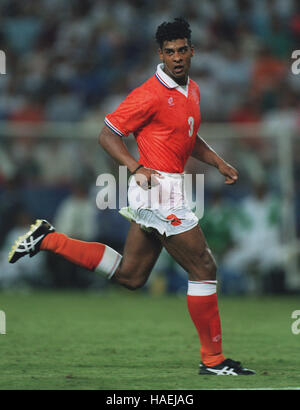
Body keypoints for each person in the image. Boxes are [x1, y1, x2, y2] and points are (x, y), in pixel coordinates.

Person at [8, 18, 255, 376]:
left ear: (192, 51)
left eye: (182, 50)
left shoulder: (193, 91)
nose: (176, 58)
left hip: (167, 187)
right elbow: (107, 135)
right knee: (204, 267)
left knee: (131, 275)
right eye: (169, 52)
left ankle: (48, 239)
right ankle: (213, 361)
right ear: (161, 55)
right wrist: (135, 167)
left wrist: (218, 162)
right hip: (155, 190)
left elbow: (187, 136)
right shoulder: (148, 94)